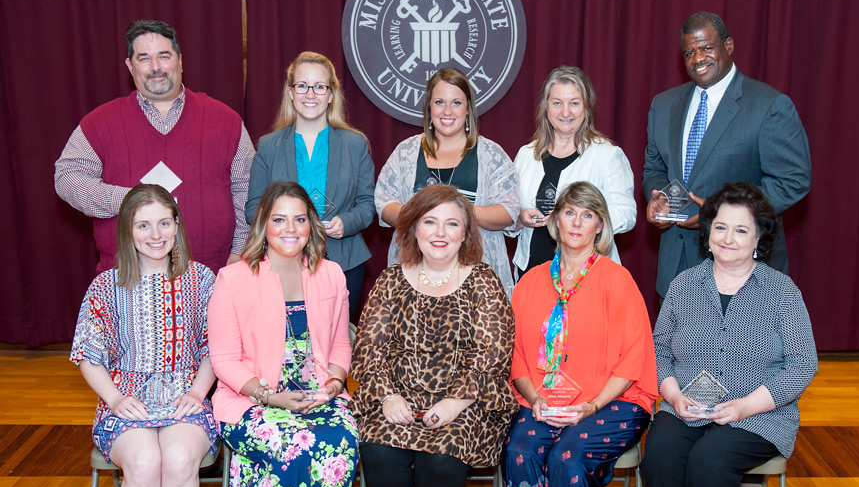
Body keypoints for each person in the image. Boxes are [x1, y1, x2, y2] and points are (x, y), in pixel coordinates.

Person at [640, 182, 817, 487]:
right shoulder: (685, 284)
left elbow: (802, 365)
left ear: (759, 238)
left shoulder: (781, 292)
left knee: (709, 461)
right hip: (688, 404)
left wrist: (741, 406)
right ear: (708, 232)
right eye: (720, 227)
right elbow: (660, 348)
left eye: (741, 230)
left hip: (756, 413)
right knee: (660, 456)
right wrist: (674, 396)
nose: (728, 238)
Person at [352, 184, 517, 487]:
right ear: (413, 229)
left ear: (466, 233)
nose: (439, 233)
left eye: (451, 223)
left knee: (440, 461)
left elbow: (493, 352)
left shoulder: (482, 281)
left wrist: (454, 402)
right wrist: (388, 397)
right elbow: (369, 349)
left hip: (468, 403)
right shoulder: (391, 280)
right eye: (430, 222)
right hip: (398, 398)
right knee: (378, 451)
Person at [502, 181, 657, 487]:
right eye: (569, 212)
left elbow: (633, 357)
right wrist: (536, 400)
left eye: (587, 215)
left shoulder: (617, 279)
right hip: (543, 400)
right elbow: (514, 354)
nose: (577, 222)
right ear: (554, 221)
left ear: (600, 226)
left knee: (566, 455)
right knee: (520, 448)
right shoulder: (531, 282)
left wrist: (588, 405)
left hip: (610, 402)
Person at [208, 181, 358, 487]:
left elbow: (340, 346)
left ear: (311, 225)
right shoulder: (235, 277)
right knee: (295, 449)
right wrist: (271, 397)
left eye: (299, 218)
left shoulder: (329, 273)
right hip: (252, 401)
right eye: (279, 219)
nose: (289, 228)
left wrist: (334, 381)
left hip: (318, 395)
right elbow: (223, 359)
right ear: (263, 225)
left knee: (339, 445)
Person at [71, 184, 218, 487]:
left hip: (186, 397)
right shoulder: (105, 286)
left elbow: (217, 347)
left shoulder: (203, 280)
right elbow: (87, 354)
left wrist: (197, 390)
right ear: (127, 230)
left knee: (175, 459)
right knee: (142, 463)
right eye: (143, 224)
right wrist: (115, 399)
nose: (155, 234)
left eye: (164, 223)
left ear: (177, 226)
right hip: (126, 399)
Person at [55, 19, 254, 275]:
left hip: (212, 277)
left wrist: (238, 253)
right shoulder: (98, 123)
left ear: (180, 60)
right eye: (144, 58)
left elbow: (247, 189)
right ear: (130, 65)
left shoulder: (227, 120)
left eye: (163, 56)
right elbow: (67, 179)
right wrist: (129, 200)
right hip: (127, 279)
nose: (156, 67)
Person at [642, 11, 811, 299]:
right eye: (689, 52)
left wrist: (721, 212)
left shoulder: (769, 104)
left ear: (728, 46)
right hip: (677, 266)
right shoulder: (664, 104)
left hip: (744, 269)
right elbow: (654, 167)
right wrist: (657, 198)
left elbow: (792, 180)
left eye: (706, 48)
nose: (697, 59)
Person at [246, 51, 376, 317]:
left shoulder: (355, 144)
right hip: (282, 260)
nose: (310, 94)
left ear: (331, 94)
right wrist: (284, 225)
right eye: (302, 85)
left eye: (319, 86)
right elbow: (252, 208)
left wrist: (346, 222)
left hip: (344, 259)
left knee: (335, 340)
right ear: (291, 92)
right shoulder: (269, 146)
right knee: (287, 342)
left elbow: (367, 204)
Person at [375, 67, 520, 296]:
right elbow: (384, 203)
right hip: (415, 277)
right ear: (429, 107)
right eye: (439, 102)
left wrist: (457, 213)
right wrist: (424, 216)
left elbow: (509, 211)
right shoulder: (406, 152)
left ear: (468, 108)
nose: (447, 111)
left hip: (476, 281)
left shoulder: (492, 154)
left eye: (456, 103)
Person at [511, 66, 636, 276]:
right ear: (546, 107)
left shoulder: (606, 155)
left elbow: (626, 214)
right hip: (531, 272)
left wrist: (578, 220)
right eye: (557, 103)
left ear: (587, 108)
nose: (565, 112)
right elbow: (510, 211)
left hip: (586, 274)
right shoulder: (525, 155)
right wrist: (520, 218)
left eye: (574, 103)